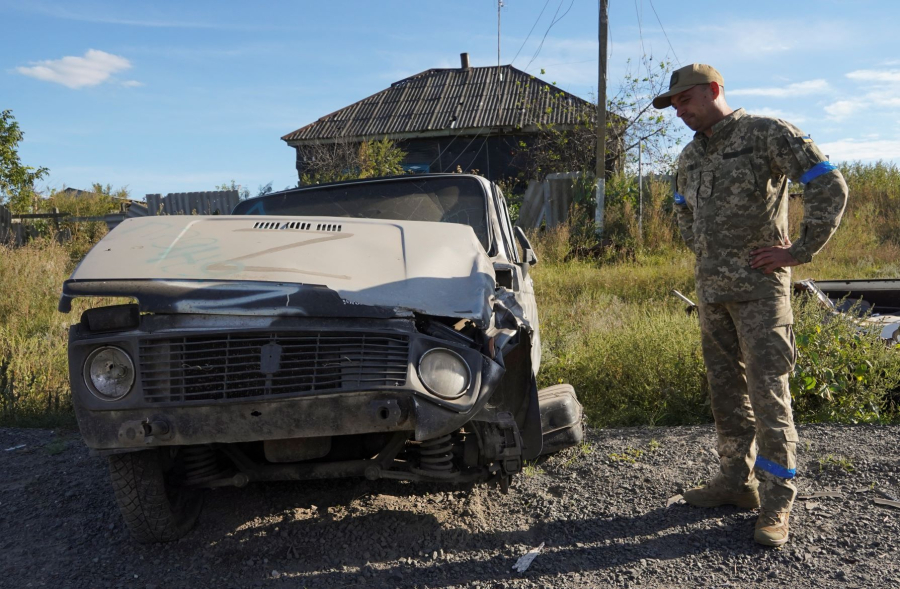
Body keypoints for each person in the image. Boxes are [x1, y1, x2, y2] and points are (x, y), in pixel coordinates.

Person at [652, 64, 848, 546]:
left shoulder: (766, 134)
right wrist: (702, 249)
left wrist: (797, 252)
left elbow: (830, 184)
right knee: (727, 397)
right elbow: (680, 204)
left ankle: (776, 502)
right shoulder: (690, 154)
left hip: (762, 293)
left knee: (768, 397)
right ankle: (734, 483)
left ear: (714, 90)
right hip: (712, 294)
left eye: (685, 99)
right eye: (674, 104)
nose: (679, 110)